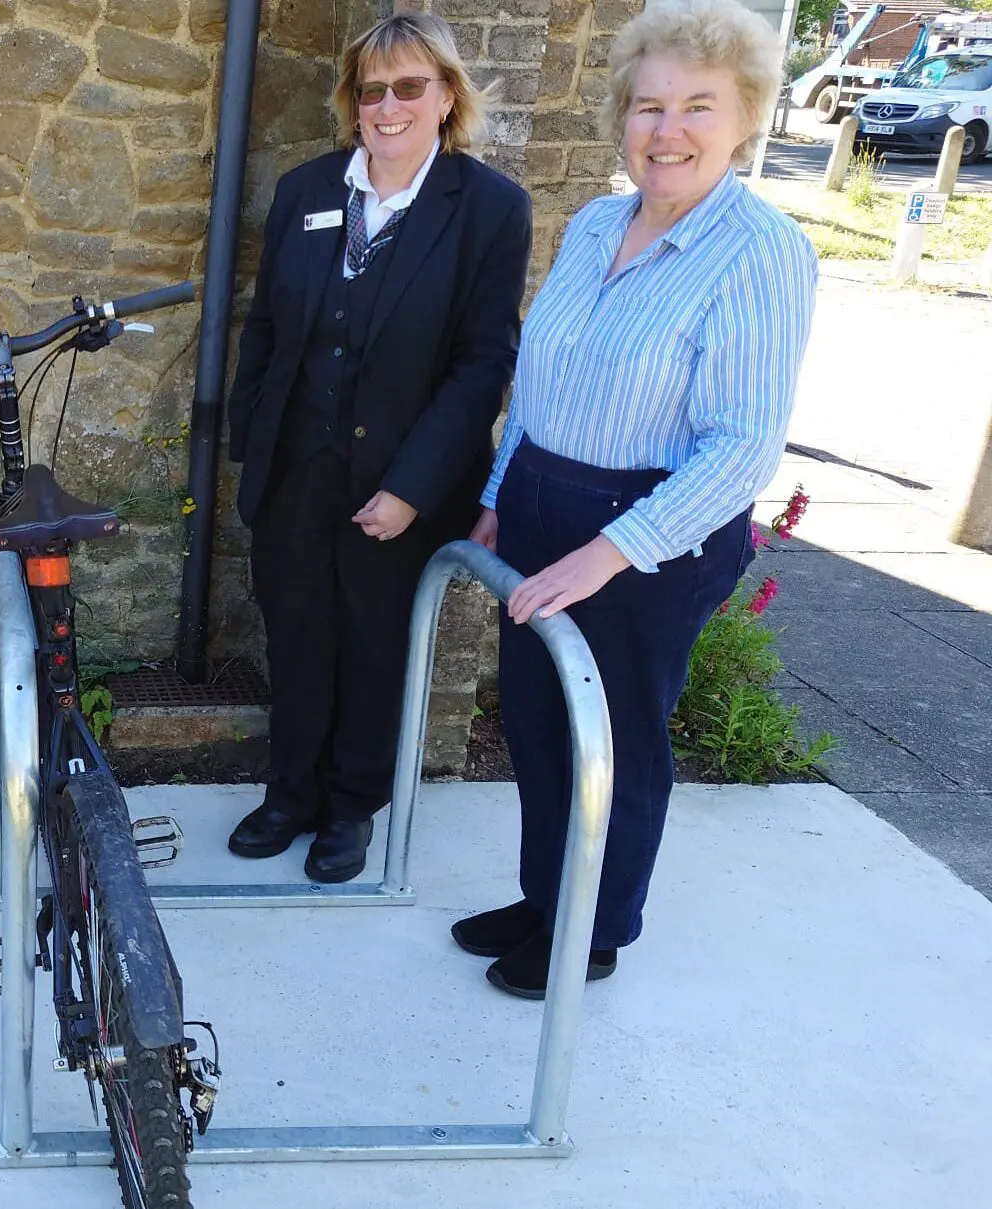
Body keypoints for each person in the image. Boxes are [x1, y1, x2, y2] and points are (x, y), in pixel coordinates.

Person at [453, 0, 818, 998]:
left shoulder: (759, 251)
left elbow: (741, 445)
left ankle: (596, 929)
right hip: (539, 506)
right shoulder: (595, 223)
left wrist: (606, 552)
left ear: (745, 117)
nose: (668, 131)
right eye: (648, 106)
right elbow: (543, 377)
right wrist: (498, 492)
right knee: (536, 721)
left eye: (699, 106)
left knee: (611, 735)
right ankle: (544, 899)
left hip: (651, 533)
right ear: (622, 117)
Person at [224, 12, 531, 883]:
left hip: (401, 478)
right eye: (371, 89)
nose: (388, 105)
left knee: (372, 639)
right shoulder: (306, 191)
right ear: (352, 102)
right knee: (296, 631)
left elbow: (482, 366)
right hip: (296, 467)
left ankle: (350, 805)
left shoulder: (489, 210)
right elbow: (268, 328)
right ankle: (290, 793)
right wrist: (255, 444)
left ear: (445, 99)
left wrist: (413, 486)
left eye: (408, 87)